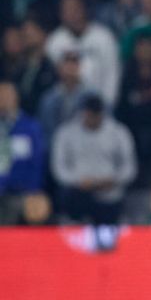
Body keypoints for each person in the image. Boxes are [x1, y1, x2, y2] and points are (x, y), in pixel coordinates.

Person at [51, 94, 137, 225]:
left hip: (109, 191)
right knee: (70, 198)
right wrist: (78, 181)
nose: (92, 119)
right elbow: (59, 169)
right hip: (77, 191)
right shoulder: (66, 132)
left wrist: (114, 180)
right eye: (89, 115)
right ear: (83, 113)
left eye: (96, 116)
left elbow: (129, 167)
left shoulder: (119, 132)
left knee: (112, 202)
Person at [0, 81, 45, 225]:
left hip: (21, 192)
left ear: (16, 98)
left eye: (7, 96)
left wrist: (33, 190)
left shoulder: (30, 127)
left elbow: (37, 162)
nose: (3, 100)